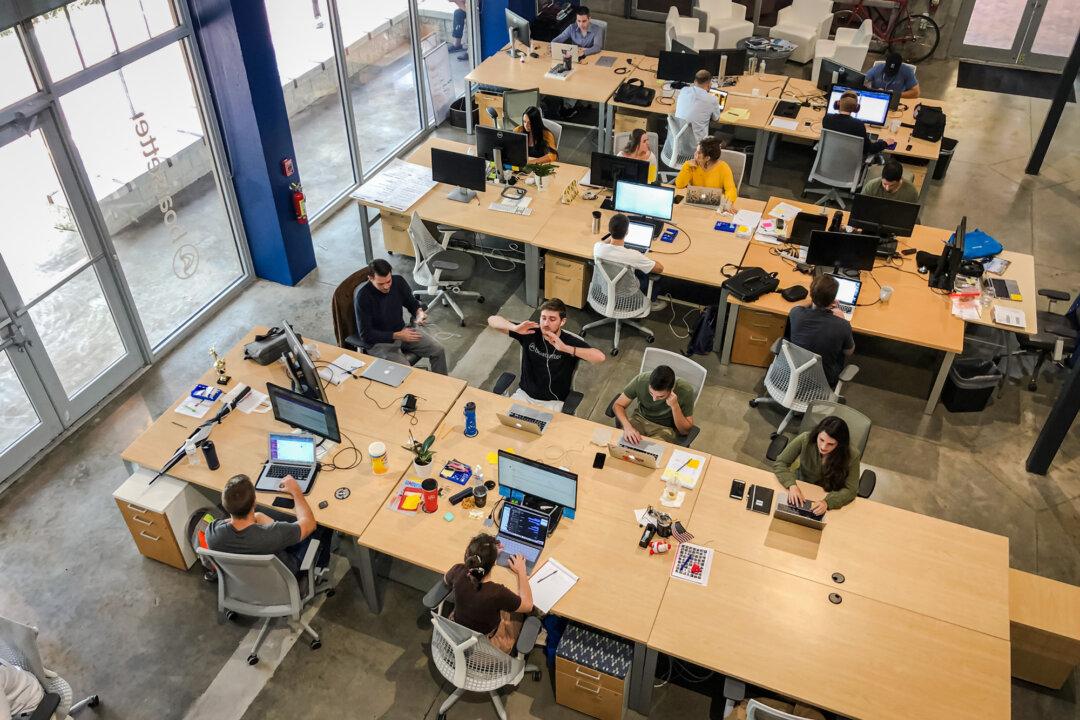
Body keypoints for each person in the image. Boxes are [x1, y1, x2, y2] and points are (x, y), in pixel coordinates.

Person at [487, 299, 605, 412]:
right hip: (524, 396)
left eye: (552, 319)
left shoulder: (569, 341)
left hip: (554, 403)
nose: (546, 323)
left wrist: (565, 348)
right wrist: (515, 328)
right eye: (543, 318)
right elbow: (492, 320)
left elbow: (600, 357)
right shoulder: (529, 332)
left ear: (562, 321)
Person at [205, 474, 331, 575]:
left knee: (264, 514)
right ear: (254, 502)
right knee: (322, 524)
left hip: (245, 580)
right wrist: (296, 491)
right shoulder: (273, 534)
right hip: (286, 573)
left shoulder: (212, 533)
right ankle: (319, 567)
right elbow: (309, 523)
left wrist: (257, 516)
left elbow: (230, 524)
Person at [355, 258, 448, 375]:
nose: (386, 287)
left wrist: (418, 312)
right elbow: (366, 334)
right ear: (370, 278)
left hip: (402, 331)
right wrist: (397, 335)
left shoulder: (398, 282)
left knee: (438, 350)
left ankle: (442, 387)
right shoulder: (363, 297)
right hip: (380, 343)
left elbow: (411, 302)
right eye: (381, 284)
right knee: (405, 373)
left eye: (388, 281)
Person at [444, 533, 533, 653]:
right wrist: (522, 571)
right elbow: (528, 605)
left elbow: (446, 579)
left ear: (467, 556)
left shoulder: (458, 570)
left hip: (456, 634)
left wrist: (490, 556)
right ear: (494, 563)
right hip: (484, 645)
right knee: (519, 613)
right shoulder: (497, 593)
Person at [771, 415, 862, 514]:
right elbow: (781, 462)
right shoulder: (805, 438)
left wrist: (828, 502)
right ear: (817, 434)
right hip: (800, 486)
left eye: (830, 444)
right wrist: (791, 485)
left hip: (831, 494)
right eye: (821, 440)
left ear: (840, 444)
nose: (823, 447)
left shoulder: (853, 455)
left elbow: (851, 490)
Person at [784, 274, 854, 388]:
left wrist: (814, 302)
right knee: (842, 349)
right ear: (833, 300)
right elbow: (849, 352)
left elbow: (798, 307)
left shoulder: (795, 313)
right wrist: (841, 317)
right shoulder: (843, 325)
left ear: (811, 294)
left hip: (795, 368)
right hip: (823, 379)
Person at [594, 213, 667, 312]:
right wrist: (646, 260)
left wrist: (613, 235)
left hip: (604, 292)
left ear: (609, 230)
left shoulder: (598, 248)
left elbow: (604, 243)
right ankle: (652, 302)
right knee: (654, 277)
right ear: (627, 232)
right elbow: (660, 268)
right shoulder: (633, 255)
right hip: (627, 296)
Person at [612, 365, 695, 443]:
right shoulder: (641, 380)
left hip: (665, 429)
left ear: (672, 389)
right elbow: (618, 405)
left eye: (661, 396)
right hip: (639, 420)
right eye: (651, 393)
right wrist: (627, 427)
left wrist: (675, 406)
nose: (654, 399)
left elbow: (684, 431)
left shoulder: (685, 390)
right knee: (621, 445)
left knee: (651, 454)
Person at [822, 90, 889, 157]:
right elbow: (869, 149)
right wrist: (885, 143)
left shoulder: (827, 118)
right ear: (856, 107)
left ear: (837, 103)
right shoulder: (858, 125)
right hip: (850, 162)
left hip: (829, 158)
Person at [674, 135, 738, 204]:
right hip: (695, 201)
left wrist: (728, 203)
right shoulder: (691, 165)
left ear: (707, 158)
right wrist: (686, 166)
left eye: (699, 153)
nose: (695, 154)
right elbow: (679, 185)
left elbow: (731, 190)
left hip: (714, 203)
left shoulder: (723, 167)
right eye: (696, 151)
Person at [674, 69, 722, 144]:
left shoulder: (683, 90)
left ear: (694, 81)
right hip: (698, 148)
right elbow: (716, 119)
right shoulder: (712, 100)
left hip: (678, 143)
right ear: (709, 84)